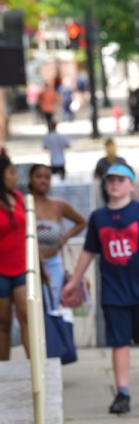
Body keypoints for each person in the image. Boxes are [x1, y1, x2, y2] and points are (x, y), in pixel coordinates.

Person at [62, 164, 139, 414]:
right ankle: (122, 392)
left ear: (132, 185)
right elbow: (89, 251)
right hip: (114, 291)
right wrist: (74, 281)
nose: (115, 184)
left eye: (121, 180)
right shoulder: (99, 218)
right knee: (119, 342)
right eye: (111, 180)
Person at [29, 164, 86, 308]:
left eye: (47, 177)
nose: (43, 181)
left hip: (53, 264)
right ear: (30, 179)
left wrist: (64, 238)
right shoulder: (23, 204)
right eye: (39, 176)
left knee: (52, 308)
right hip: (28, 265)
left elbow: (81, 222)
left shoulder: (58, 205)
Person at [0, 153, 29, 360]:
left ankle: (35, 366)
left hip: (21, 267)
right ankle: (3, 369)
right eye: (11, 173)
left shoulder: (18, 197)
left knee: (26, 315)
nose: (15, 177)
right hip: (0, 270)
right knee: (3, 322)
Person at [94, 139, 128, 205]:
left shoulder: (121, 161)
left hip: (117, 192)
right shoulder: (101, 162)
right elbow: (96, 175)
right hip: (107, 192)